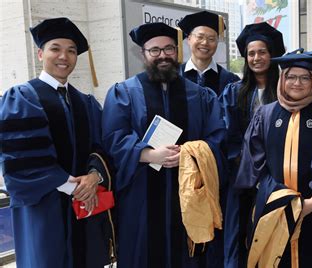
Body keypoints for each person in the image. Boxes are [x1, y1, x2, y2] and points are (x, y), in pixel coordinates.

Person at [102, 22, 226, 268]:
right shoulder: (124, 92)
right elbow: (113, 137)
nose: (163, 56)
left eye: (169, 49)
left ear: (177, 53)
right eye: (154, 50)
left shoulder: (200, 95)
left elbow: (217, 137)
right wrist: (148, 154)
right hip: (141, 197)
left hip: (189, 194)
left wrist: (190, 154)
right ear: (143, 54)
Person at [0, 17, 114, 268]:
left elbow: (101, 146)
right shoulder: (21, 98)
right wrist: (71, 186)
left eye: (71, 51)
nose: (64, 56)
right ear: (41, 54)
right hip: (43, 209)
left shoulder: (85, 103)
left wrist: (94, 176)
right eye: (55, 48)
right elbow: (20, 158)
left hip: (85, 207)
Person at [235, 49, 312, 267]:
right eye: (291, 76)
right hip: (273, 205)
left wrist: (311, 203)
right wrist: (278, 198)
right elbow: (254, 161)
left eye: (305, 77)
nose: (298, 83)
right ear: (282, 79)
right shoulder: (265, 114)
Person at [219, 22, 285, 268]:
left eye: (262, 52)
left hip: (278, 172)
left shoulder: (285, 91)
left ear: (272, 54)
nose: (256, 58)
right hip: (242, 174)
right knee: (241, 231)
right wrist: (247, 163)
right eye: (251, 53)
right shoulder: (233, 92)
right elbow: (227, 133)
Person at [178, 11, 240, 95]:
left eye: (211, 39)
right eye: (200, 37)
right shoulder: (175, 75)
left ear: (217, 42)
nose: (205, 42)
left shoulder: (231, 80)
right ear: (189, 39)